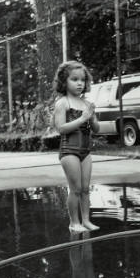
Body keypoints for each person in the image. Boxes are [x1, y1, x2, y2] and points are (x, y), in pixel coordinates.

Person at [53, 60, 100, 232]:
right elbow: (61, 129)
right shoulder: (63, 103)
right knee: (76, 189)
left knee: (86, 189)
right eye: (74, 79)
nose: (80, 83)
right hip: (69, 151)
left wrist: (93, 118)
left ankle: (86, 220)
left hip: (85, 151)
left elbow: (96, 129)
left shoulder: (86, 104)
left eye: (82, 79)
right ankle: (74, 222)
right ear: (64, 82)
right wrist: (82, 118)